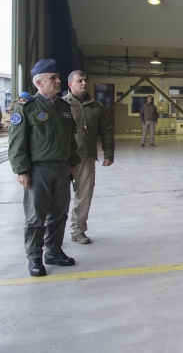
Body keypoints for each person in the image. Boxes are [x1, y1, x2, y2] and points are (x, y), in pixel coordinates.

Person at [8, 59, 80, 277]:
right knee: (35, 218)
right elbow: (16, 144)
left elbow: (70, 139)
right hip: (38, 170)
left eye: (58, 77)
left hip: (61, 169)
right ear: (38, 83)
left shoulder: (64, 108)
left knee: (59, 214)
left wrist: (73, 163)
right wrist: (22, 170)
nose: (58, 81)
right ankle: (34, 257)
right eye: (53, 78)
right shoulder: (26, 108)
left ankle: (54, 251)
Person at [63, 71, 115, 245]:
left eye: (85, 80)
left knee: (84, 195)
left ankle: (78, 230)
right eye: (79, 81)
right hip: (62, 158)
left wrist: (109, 153)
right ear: (70, 84)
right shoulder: (61, 105)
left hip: (86, 157)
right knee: (57, 198)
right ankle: (52, 234)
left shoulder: (96, 107)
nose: (84, 83)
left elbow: (106, 131)